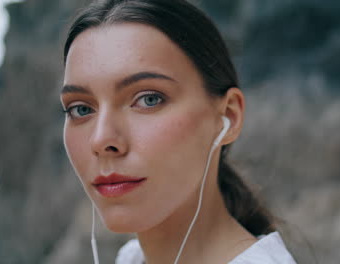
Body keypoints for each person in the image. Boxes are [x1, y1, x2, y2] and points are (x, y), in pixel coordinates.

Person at [61, 0, 297, 263]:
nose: (101, 139)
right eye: (81, 109)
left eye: (149, 99)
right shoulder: (132, 258)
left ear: (227, 116)